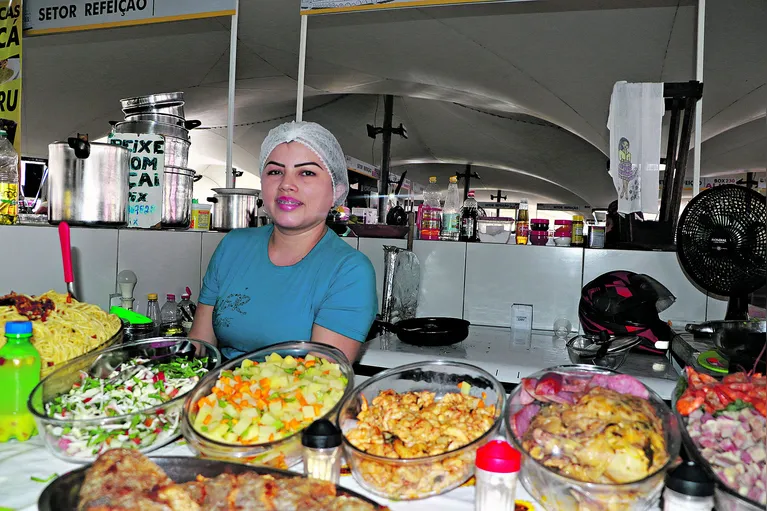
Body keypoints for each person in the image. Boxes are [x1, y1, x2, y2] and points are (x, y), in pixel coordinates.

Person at [189, 121, 378, 362]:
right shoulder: (232, 246)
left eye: (306, 172)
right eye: (275, 172)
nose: (286, 184)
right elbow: (199, 347)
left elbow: (320, 379)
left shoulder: (349, 271)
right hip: (215, 394)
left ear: (336, 191)